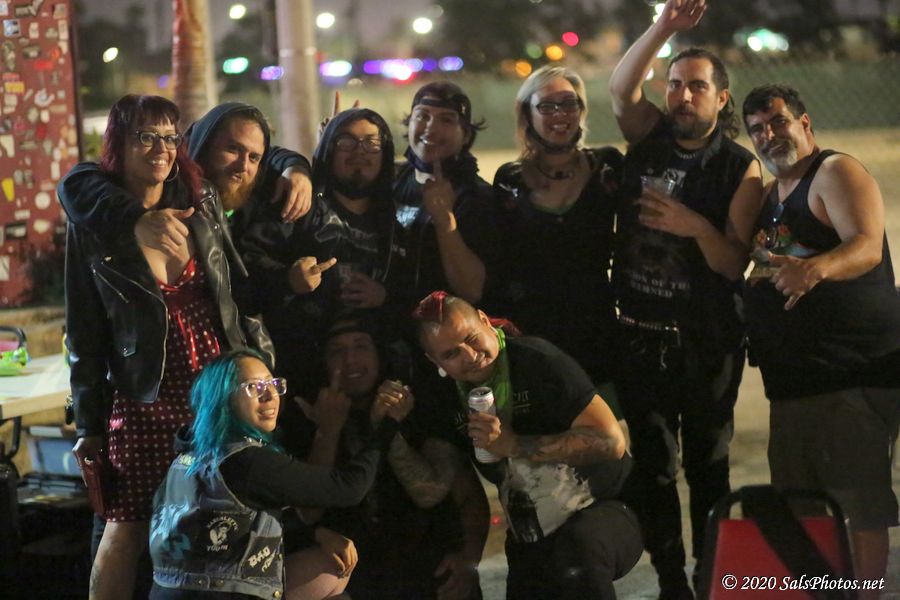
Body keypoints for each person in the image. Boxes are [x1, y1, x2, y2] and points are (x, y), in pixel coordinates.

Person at [63, 94, 272, 600]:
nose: (160, 148)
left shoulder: (199, 200)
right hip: (144, 395)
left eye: (169, 136)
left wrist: (262, 368)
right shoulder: (95, 221)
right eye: (146, 136)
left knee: (217, 516)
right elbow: (84, 330)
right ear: (120, 142)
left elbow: (238, 297)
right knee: (126, 527)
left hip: (214, 390)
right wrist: (89, 424)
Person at [607, 1, 764, 596]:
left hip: (707, 341)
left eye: (697, 86)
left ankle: (711, 574)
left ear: (721, 99)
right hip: (640, 334)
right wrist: (665, 28)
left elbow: (732, 263)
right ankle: (671, 578)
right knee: (653, 467)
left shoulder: (739, 168)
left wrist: (693, 225)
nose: (683, 95)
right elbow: (622, 89)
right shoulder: (649, 139)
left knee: (707, 466)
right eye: (675, 84)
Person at [741, 84, 900, 599]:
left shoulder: (833, 172)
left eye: (778, 122)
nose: (769, 135)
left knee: (858, 506)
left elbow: (866, 245)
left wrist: (814, 270)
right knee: (804, 508)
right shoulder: (772, 196)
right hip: (795, 382)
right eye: (758, 129)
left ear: (804, 123)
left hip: (847, 374)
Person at [411, 292, 643, 599]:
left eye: (471, 337)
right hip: (531, 530)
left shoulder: (537, 360)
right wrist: (469, 557)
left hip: (605, 508)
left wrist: (515, 445)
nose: (470, 355)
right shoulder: (444, 397)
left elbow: (612, 441)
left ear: (484, 321)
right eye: (451, 353)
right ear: (435, 362)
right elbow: (460, 491)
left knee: (576, 553)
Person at [149, 348, 403, 599]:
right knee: (334, 572)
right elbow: (349, 488)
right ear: (222, 398)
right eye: (253, 387)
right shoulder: (246, 460)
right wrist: (385, 426)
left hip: (170, 591)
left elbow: (227, 527)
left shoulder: (189, 454)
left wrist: (315, 534)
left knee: (332, 576)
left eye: (273, 384)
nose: (269, 396)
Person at [290, 312, 489, 599]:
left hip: (435, 576)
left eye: (361, 346)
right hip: (363, 580)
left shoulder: (419, 405)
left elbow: (451, 493)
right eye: (337, 351)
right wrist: (328, 431)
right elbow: (308, 512)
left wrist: (469, 559)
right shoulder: (313, 415)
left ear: (379, 355)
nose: (350, 360)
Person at [239, 108, 405, 400]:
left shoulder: (396, 216)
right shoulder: (299, 202)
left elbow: (417, 290)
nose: (359, 151)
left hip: (380, 373)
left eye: (371, 143)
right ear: (329, 148)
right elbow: (244, 269)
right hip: (300, 371)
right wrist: (288, 280)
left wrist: (386, 295)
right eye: (346, 141)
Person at [489, 64, 624, 416]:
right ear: (527, 114)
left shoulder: (607, 167)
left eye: (569, 103)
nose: (560, 114)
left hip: (595, 328)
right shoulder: (509, 180)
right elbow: (500, 263)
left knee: (604, 433)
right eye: (547, 106)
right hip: (534, 335)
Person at [393, 81, 496, 305]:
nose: (431, 128)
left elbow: (472, 291)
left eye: (446, 120)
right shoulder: (393, 179)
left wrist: (445, 222)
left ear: (466, 135)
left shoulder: (479, 198)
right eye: (422, 116)